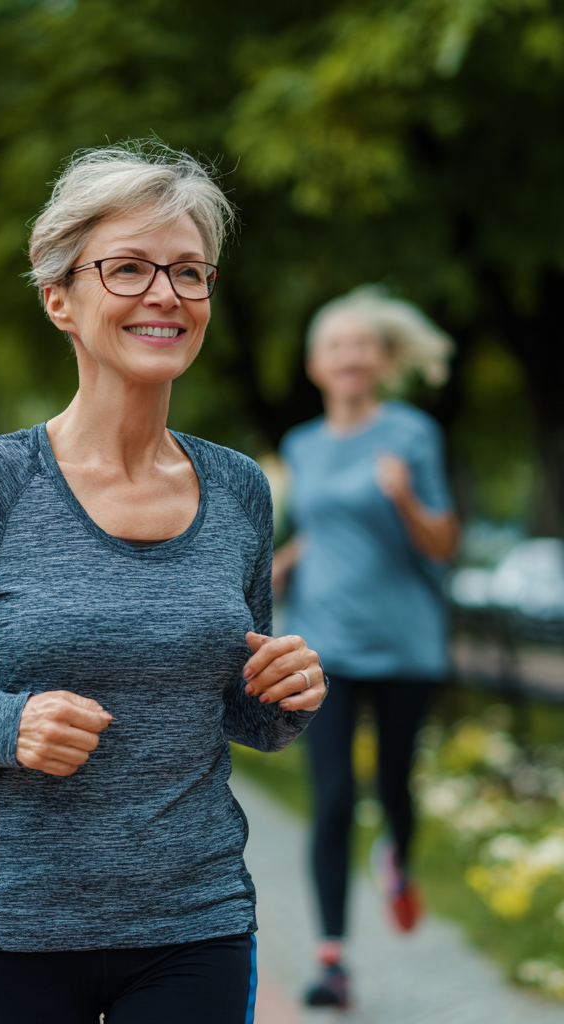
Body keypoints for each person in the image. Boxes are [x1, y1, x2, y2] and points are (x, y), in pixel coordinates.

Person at [0, 142, 327, 1024]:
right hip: (12, 928)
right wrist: (4, 722)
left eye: (188, 272)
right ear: (60, 297)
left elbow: (239, 712)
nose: (165, 294)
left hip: (194, 920)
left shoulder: (240, 488)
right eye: (128, 268)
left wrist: (285, 695)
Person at [273, 286, 458, 1009]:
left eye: (362, 345)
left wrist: (406, 498)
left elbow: (443, 545)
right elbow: (327, 525)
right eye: (335, 346)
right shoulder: (301, 445)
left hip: (406, 639)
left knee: (393, 784)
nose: (350, 356)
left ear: (382, 361)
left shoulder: (412, 435)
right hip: (326, 642)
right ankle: (331, 961)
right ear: (316, 365)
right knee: (332, 798)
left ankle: (399, 859)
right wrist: (291, 557)